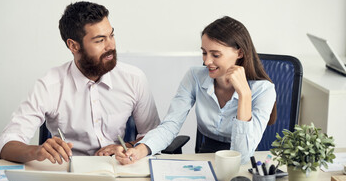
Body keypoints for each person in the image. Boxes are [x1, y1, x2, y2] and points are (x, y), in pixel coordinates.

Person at [0, 1, 160, 164]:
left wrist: (128, 147)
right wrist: (37, 151)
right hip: (71, 174)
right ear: (73, 46)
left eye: (111, 35)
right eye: (100, 40)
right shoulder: (50, 85)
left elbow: (154, 136)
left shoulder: (134, 78)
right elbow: (5, 144)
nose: (111, 46)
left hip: (120, 169)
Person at [115, 16, 277, 165]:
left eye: (215, 55)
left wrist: (245, 95)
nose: (207, 61)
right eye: (204, 52)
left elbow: (241, 157)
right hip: (205, 157)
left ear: (239, 53)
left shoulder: (264, 90)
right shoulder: (195, 76)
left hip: (244, 163)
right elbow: (170, 125)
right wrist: (139, 150)